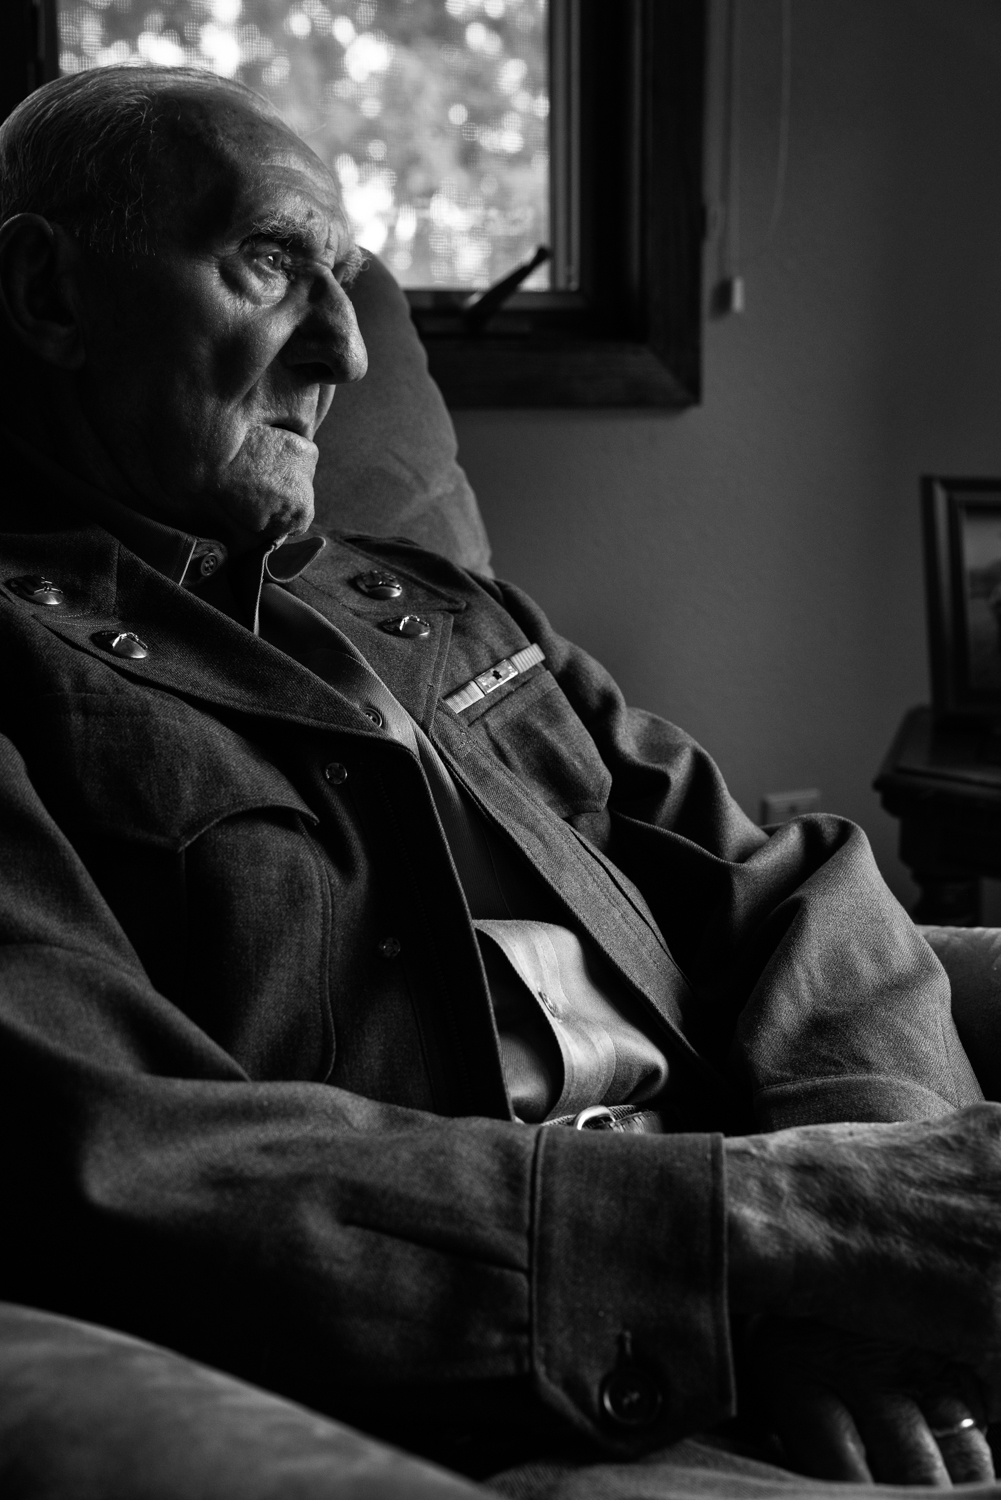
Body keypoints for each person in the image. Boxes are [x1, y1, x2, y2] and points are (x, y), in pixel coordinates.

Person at [1, 63, 1001, 1498]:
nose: (344, 349)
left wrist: (881, 1214)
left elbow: (793, 879)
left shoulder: (440, 607)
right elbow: (99, 1154)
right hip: (500, 1382)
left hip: (799, 1308)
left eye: (341, 278)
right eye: (270, 263)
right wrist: (763, 1233)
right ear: (46, 293)